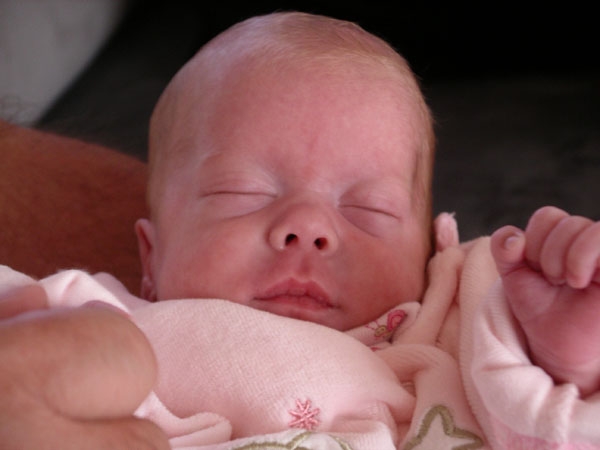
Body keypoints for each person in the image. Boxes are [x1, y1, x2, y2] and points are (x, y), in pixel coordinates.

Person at [1, 10, 600, 449]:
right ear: (151, 259)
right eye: (242, 193)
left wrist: (560, 359)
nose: (308, 228)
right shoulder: (101, 317)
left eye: (368, 209)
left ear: (429, 252)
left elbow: (548, 428)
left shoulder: (456, 328)